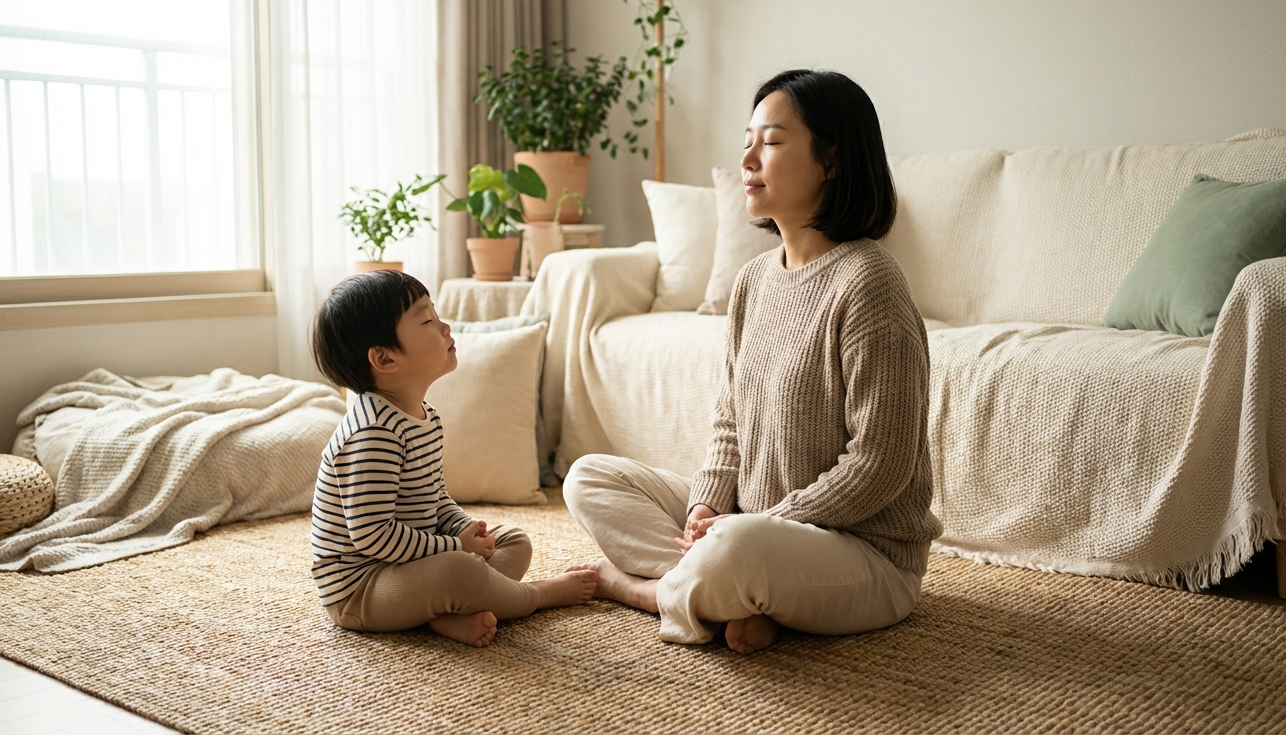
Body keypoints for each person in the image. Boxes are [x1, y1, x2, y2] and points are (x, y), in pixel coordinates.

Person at [564, 69, 942, 654]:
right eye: (747, 141)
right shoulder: (754, 281)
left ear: (831, 162)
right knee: (589, 478)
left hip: (864, 553)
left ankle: (651, 591)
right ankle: (737, 595)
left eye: (771, 141)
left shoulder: (870, 284)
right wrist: (706, 506)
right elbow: (730, 423)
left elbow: (880, 463)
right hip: (756, 523)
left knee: (739, 548)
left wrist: (763, 525)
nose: (747, 159)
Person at [310, 270, 597, 647]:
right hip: (364, 588)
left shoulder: (425, 417)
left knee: (512, 541)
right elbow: (374, 537)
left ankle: (443, 613)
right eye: (427, 320)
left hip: (413, 561)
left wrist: (465, 529)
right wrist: (456, 547)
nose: (445, 327)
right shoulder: (373, 433)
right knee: (459, 570)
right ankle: (536, 596)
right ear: (384, 358)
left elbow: (434, 497)